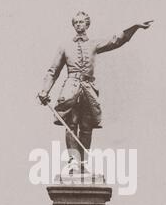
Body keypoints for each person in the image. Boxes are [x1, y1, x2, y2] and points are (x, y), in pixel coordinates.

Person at [38, 11, 153, 173]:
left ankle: (83, 163)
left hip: (89, 88)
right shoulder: (65, 46)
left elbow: (116, 41)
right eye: (75, 22)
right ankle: (72, 161)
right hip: (71, 88)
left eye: (81, 22)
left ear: (87, 24)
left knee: (86, 125)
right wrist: (44, 90)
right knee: (71, 123)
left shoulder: (93, 43)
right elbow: (53, 70)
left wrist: (134, 27)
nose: (78, 25)